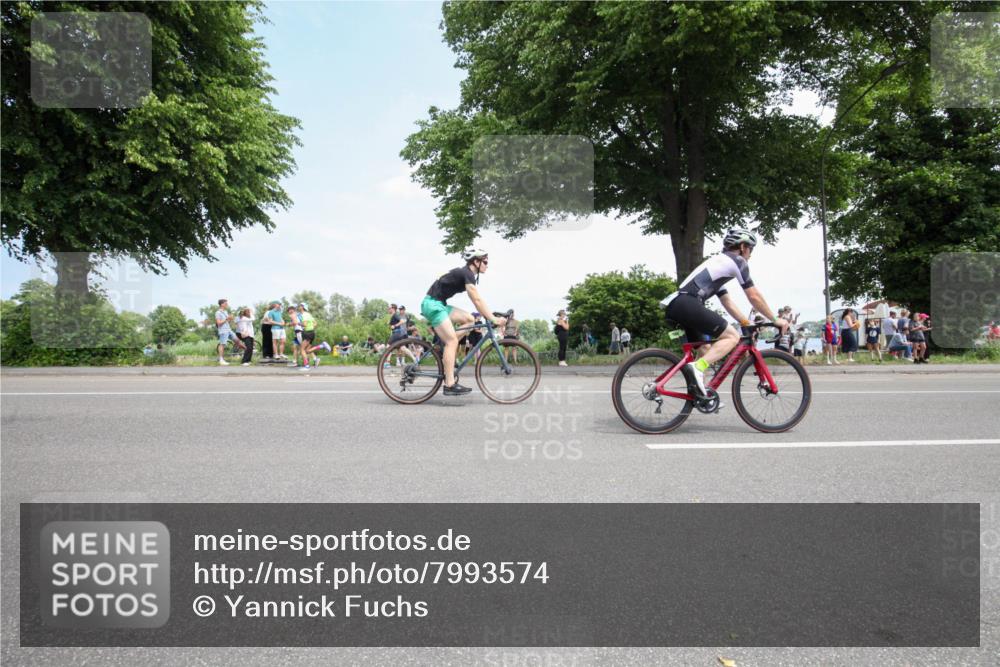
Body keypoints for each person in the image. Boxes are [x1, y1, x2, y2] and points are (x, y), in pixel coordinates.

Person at [661, 228, 787, 398]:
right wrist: (774, 319)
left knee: (705, 349)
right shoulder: (737, 261)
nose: (751, 254)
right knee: (732, 337)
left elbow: (727, 302)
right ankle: (697, 368)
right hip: (687, 303)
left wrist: (745, 322)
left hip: (679, 304)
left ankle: (699, 395)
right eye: (751, 249)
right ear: (743, 246)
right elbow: (753, 295)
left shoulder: (719, 264)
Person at [420, 248, 505, 396]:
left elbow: (477, 301)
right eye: (485, 262)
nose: (487, 265)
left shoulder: (467, 274)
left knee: (470, 319)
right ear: (476, 262)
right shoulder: (467, 273)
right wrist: (493, 318)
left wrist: (491, 315)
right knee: (452, 342)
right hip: (433, 304)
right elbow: (476, 300)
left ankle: (442, 346)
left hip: (439, 304)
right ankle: (449, 384)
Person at [215, 298, 243, 366]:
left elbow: (227, 321)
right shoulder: (218, 313)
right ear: (222, 304)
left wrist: (230, 319)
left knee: (237, 341)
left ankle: (243, 352)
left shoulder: (225, 312)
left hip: (228, 329)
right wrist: (227, 319)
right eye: (226, 303)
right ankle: (221, 360)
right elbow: (218, 323)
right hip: (223, 330)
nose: (227, 304)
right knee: (222, 344)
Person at [286, 305, 309, 370]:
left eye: (290, 310)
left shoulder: (293, 315)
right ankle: (295, 361)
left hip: (299, 332)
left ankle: (306, 363)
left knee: (303, 348)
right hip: (299, 332)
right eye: (288, 311)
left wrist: (289, 324)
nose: (289, 312)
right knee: (295, 347)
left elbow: (295, 322)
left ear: (293, 310)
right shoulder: (297, 314)